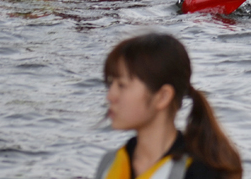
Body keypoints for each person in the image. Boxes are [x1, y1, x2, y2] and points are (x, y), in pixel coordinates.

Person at [96, 33, 242, 179]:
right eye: (110, 84)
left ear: (163, 96)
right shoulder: (108, 163)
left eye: (122, 85)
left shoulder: (199, 173)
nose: (110, 96)